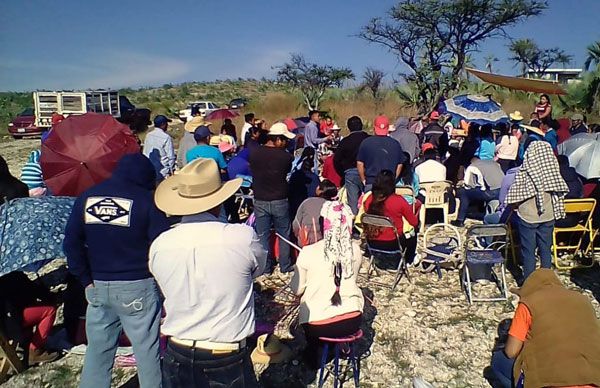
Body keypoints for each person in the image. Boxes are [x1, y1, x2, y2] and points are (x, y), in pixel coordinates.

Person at [150, 158, 265, 388]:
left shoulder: (160, 244)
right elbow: (257, 270)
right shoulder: (241, 237)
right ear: (218, 202)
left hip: (176, 349)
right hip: (224, 351)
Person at [63, 153, 170, 388]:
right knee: (146, 351)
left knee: (98, 351)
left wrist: (85, 279)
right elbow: (163, 244)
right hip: (138, 284)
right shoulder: (145, 201)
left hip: (98, 285)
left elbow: (71, 242)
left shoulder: (88, 197)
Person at [490, 269, 600, 388]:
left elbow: (511, 352)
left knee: (499, 360)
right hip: (594, 377)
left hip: (552, 382)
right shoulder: (583, 300)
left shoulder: (529, 302)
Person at [290, 199, 364, 369]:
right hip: (353, 319)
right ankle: (340, 345)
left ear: (323, 223)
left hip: (319, 326)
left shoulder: (309, 252)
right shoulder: (355, 249)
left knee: (311, 323)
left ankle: (314, 354)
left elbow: (297, 289)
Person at [506, 141, 568, 280]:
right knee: (545, 249)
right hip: (548, 215)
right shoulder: (552, 172)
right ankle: (546, 280)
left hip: (528, 215)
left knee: (528, 250)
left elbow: (515, 195)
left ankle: (529, 281)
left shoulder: (525, 172)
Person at [249, 123, 296, 274]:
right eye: (285, 140)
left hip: (260, 198)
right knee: (284, 234)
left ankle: (266, 267)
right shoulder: (285, 157)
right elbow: (286, 171)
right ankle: (285, 265)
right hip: (279, 198)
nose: (286, 143)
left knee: (263, 235)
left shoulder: (254, 153)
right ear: (278, 139)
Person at [0, 272, 58, 365]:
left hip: (4, 328)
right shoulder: (14, 278)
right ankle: (35, 351)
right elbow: (33, 291)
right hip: (11, 325)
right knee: (49, 311)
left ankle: (28, 345)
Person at [363, 170, 419, 263]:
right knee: (413, 235)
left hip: (372, 243)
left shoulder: (369, 199)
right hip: (393, 243)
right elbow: (414, 222)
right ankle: (409, 261)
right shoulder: (399, 201)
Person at [357, 115, 405, 191]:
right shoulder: (395, 143)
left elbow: (360, 163)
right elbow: (400, 164)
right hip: (388, 183)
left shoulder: (366, 143)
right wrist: (394, 179)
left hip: (371, 182)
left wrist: (363, 180)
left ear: (374, 128)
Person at [333, 116, 369, 214]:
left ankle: (353, 222)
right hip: (368, 172)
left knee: (353, 202)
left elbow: (336, 160)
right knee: (368, 198)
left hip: (350, 173)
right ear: (361, 126)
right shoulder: (369, 140)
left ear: (349, 128)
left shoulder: (345, 142)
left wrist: (343, 173)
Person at [453, 157, 504, 227]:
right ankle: (480, 211)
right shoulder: (494, 163)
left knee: (464, 193)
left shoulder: (472, 166)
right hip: (502, 190)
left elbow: (468, 185)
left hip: (491, 192)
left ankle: (460, 220)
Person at [292, 179, 338, 247]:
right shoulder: (333, 206)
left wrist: (298, 237)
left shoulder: (307, 202)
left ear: (320, 190)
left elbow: (296, 224)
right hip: (325, 243)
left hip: (306, 242)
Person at [142, 115, 175, 182]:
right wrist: (171, 171)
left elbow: (145, 152)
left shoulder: (148, 135)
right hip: (163, 172)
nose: (167, 125)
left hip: (149, 170)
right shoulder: (166, 137)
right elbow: (170, 157)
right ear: (163, 124)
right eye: (166, 123)